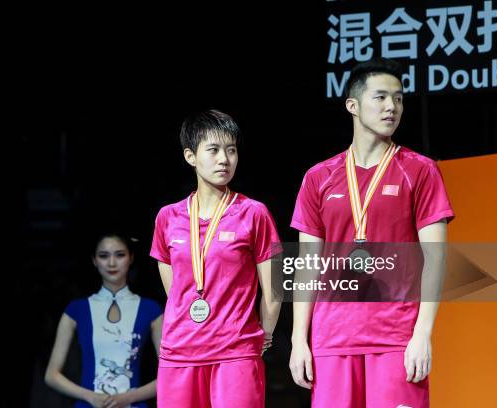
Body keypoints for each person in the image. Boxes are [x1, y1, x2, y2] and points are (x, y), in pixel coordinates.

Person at [289, 58, 454, 407]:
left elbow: (436, 258)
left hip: (396, 338)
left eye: (399, 98)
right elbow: (307, 264)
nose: (392, 107)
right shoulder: (319, 177)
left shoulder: (420, 171)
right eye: (380, 97)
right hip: (332, 340)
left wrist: (422, 334)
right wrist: (298, 340)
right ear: (352, 105)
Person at [150, 109, 282, 408]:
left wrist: (265, 333)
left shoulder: (254, 213)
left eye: (231, 150)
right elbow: (176, 294)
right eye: (213, 150)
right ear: (190, 156)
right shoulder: (167, 217)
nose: (224, 159)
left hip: (235, 352)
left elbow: (273, 288)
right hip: (179, 353)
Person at [45, 232, 163, 408]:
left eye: (120, 255)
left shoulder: (151, 310)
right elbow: (51, 375)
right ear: (94, 260)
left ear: (131, 258)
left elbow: (171, 373)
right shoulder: (76, 310)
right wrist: (90, 396)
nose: (112, 263)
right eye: (103, 256)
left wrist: (128, 398)